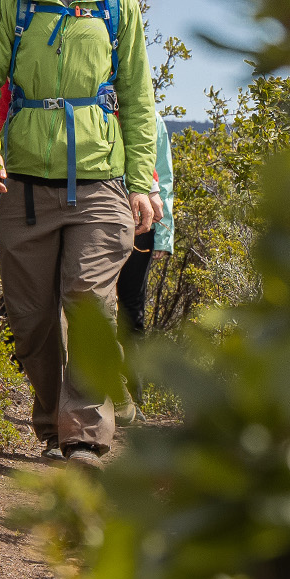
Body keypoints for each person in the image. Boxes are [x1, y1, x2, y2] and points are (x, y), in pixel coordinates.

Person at [0, 0, 161, 469]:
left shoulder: (117, 2)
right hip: (24, 184)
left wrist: (143, 181)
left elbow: (139, 97)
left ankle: (84, 437)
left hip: (101, 180)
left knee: (88, 299)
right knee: (31, 319)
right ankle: (51, 421)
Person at [116, 109, 174, 417]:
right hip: (98, 214)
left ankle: (133, 398)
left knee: (131, 309)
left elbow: (163, 177)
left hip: (143, 222)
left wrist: (164, 238)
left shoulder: (152, 119)